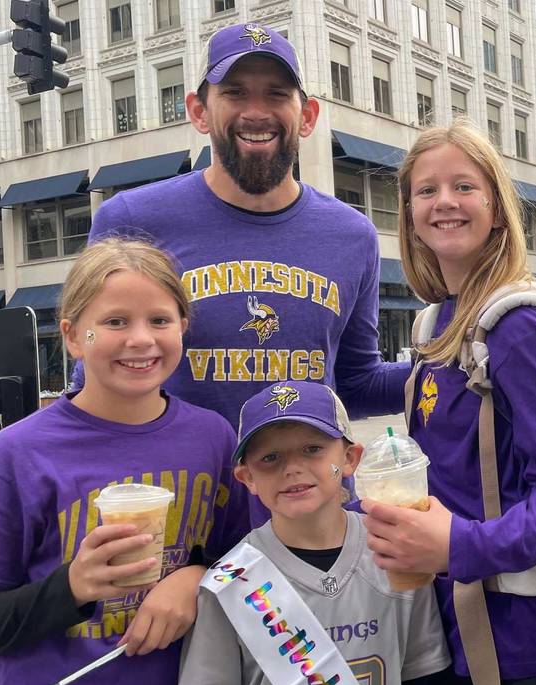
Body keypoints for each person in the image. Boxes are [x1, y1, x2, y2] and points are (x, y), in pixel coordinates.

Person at [0, 238, 251, 685]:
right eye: (115, 321)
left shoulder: (213, 438)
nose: (140, 339)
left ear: (182, 328)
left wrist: (197, 578)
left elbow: (246, 560)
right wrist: (72, 587)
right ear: (72, 337)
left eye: (159, 320)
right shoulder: (19, 453)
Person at [360, 121, 536, 685]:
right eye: (427, 190)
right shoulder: (435, 324)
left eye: (464, 186)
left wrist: (456, 546)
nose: (444, 201)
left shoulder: (523, 327)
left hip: (531, 645)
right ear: (409, 214)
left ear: (496, 208)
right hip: (452, 627)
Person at [87, 22, 407, 426]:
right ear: (199, 111)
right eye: (235, 93)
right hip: (179, 467)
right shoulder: (130, 221)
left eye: (277, 94)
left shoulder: (353, 235)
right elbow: (94, 377)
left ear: (307, 116)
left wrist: (452, 363)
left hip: (303, 468)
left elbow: (356, 384)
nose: (256, 113)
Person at [174, 380, 450, 685]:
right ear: (247, 477)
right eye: (270, 457)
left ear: (350, 458)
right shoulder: (232, 581)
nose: (292, 468)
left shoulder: (397, 550)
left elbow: (424, 678)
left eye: (312, 449)